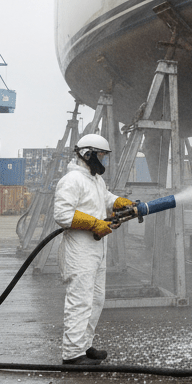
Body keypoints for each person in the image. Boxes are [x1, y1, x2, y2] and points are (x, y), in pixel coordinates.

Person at [52, 133, 134, 366]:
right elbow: (62, 214)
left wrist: (118, 202)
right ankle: (72, 354)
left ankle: (84, 345)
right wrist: (95, 223)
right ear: (87, 154)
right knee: (80, 300)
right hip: (79, 249)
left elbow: (103, 198)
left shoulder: (95, 180)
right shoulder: (72, 180)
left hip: (97, 247)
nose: (103, 160)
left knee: (96, 299)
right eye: (101, 155)